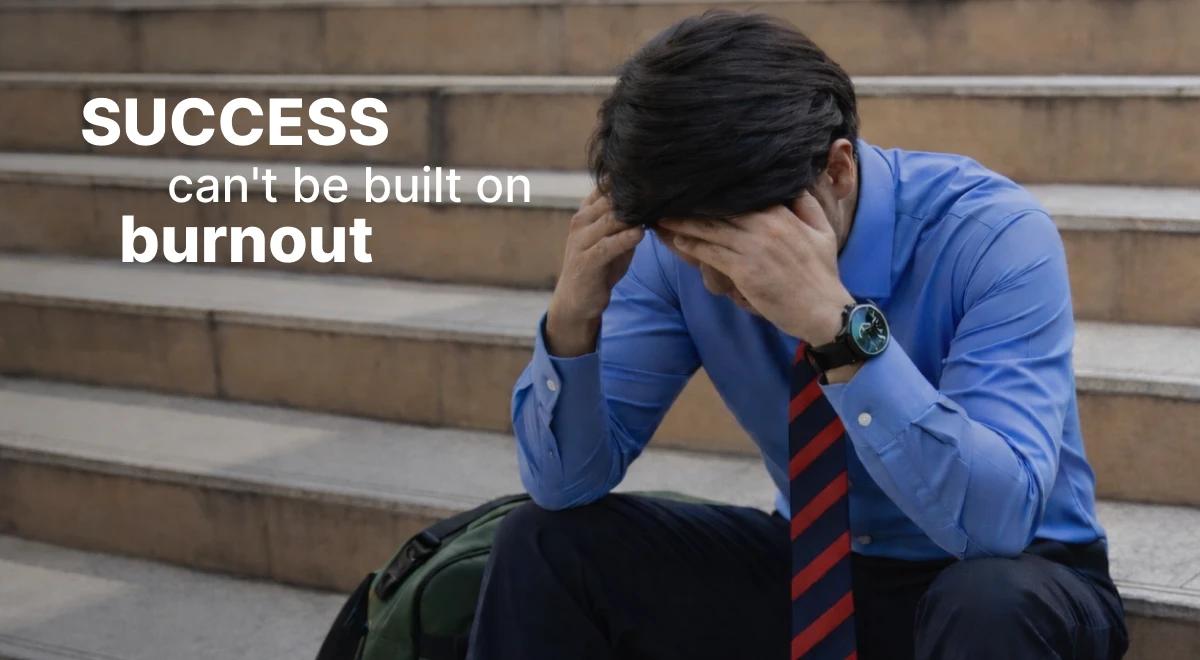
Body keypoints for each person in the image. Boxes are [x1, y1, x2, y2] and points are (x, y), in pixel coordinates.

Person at [468, 11, 1128, 660]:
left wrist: (834, 329)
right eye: (690, 245)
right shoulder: (676, 250)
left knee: (989, 603)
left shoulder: (993, 234)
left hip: (1016, 574)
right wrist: (573, 321)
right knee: (542, 543)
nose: (713, 277)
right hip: (818, 568)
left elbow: (995, 524)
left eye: (735, 243)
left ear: (836, 172)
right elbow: (564, 486)